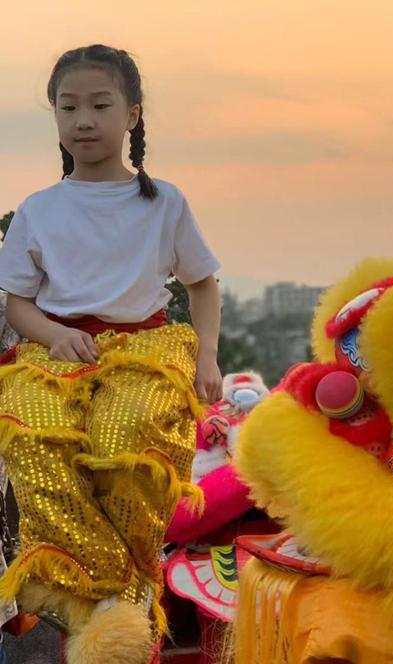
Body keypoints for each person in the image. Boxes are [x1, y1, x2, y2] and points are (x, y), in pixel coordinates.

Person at [0, 44, 222, 664]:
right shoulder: (39, 209)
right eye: (68, 107)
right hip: (56, 350)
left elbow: (203, 285)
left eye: (100, 106)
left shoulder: (164, 202)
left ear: (132, 115)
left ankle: (113, 594)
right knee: (31, 436)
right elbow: (17, 305)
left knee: (126, 437)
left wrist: (207, 357)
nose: (84, 121)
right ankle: (112, 597)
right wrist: (52, 333)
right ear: (55, 115)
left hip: (144, 346)